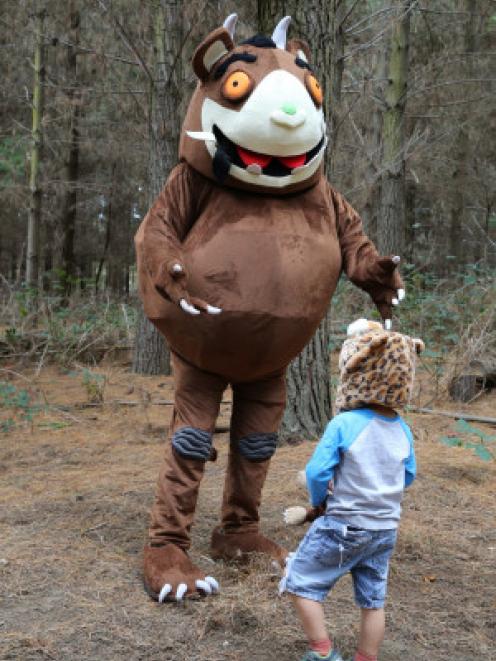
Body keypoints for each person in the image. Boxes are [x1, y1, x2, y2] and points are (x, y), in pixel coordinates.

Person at [280, 319, 425, 661]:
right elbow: (408, 475)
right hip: (384, 530)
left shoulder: (344, 423)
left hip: (342, 526)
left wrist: (320, 501)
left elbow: (317, 472)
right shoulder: (402, 429)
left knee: (300, 582)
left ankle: (322, 651)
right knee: (373, 601)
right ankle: (366, 657)